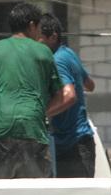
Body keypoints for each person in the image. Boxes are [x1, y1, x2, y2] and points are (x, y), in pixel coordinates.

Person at [0, 2, 75, 179]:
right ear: (32, 25)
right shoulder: (43, 52)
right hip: (32, 130)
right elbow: (61, 95)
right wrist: (40, 113)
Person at [39, 13, 96, 178]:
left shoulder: (57, 60)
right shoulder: (69, 53)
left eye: (40, 39)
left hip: (72, 146)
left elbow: (70, 96)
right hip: (82, 140)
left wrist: (42, 113)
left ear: (53, 37)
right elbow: (90, 85)